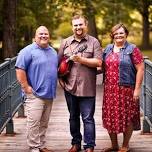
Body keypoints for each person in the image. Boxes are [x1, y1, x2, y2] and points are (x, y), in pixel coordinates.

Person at [58, 14, 102, 152]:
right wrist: (60, 80)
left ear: (85, 25)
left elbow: (99, 62)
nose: (78, 27)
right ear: (72, 27)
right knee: (73, 117)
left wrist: (81, 60)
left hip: (87, 87)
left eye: (80, 24)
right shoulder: (65, 43)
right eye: (75, 25)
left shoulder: (94, 42)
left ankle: (89, 146)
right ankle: (76, 143)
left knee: (88, 118)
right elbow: (58, 64)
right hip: (69, 87)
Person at [101, 23, 144, 152]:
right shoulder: (108, 48)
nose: (119, 35)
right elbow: (101, 66)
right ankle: (114, 145)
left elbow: (141, 69)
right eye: (116, 33)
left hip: (126, 89)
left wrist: (137, 89)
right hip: (109, 90)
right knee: (110, 116)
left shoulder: (132, 49)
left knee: (127, 116)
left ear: (126, 34)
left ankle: (125, 145)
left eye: (121, 33)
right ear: (112, 35)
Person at [15, 26, 58, 152]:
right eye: (41, 34)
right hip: (34, 94)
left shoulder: (53, 51)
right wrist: (26, 87)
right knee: (33, 123)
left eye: (46, 34)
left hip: (49, 94)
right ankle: (34, 147)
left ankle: (42, 145)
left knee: (44, 123)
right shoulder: (27, 51)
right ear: (35, 36)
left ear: (49, 36)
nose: (44, 36)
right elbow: (19, 69)